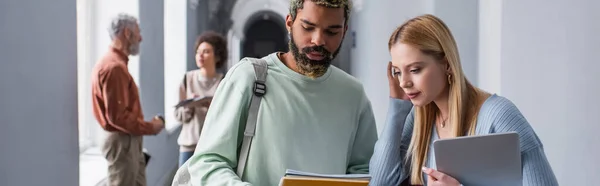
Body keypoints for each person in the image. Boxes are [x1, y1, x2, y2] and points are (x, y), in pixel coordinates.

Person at [172, 0, 378, 185]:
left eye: (332, 32)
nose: (318, 40)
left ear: (345, 30)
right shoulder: (246, 77)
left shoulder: (353, 94)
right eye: (308, 27)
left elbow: (362, 170)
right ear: (289, 22)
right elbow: (207, 162)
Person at [368, 14, 558, 186]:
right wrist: (397, 106)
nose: (403, 82)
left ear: (448, 64)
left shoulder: (499, 115)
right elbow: (381, 181)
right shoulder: (418, 118)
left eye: (415, 69)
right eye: (397, 72)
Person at [91, 13, 165, 186]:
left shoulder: (116, 64)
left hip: (127, 140)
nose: (141, 38)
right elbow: (118, 118)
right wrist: (151, 127)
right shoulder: (114, 67)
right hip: (123, 141)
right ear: (127, 33)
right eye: (138, 32)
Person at [175, 31, 227, 167]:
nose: (200, 55)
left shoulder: (224, 82)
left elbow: (228, 115)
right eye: (198, 52)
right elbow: (178, 116)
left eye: (206, 52)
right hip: (189, 145)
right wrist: (189, 106)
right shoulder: (187, 79)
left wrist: (213, 107)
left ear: (217, 56)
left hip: (213, 146)